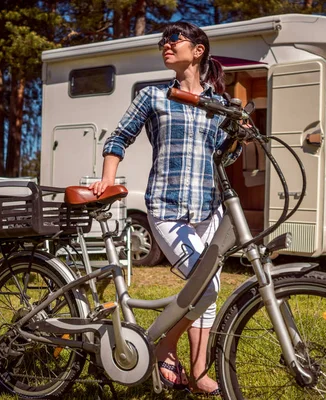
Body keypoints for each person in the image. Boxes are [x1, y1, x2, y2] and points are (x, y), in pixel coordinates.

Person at [89, 21, 241, 396]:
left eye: (173, 39)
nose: (165, 45)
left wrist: (238, 133)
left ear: (198, 49)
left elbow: (226, 154)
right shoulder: (154, 96)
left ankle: (199, 370)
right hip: (169, 207)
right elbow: (119, 137)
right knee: (207, 286)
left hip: (209, 208)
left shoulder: (217, 103)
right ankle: (164, 349)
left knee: (205, 293)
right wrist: (108, 178)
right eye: (162, 41)